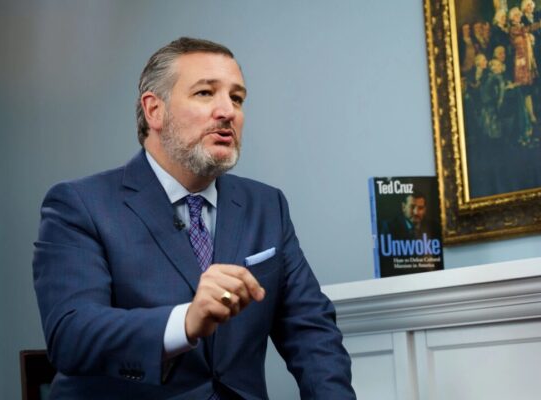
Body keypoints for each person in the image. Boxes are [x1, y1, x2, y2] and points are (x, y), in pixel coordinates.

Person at [32, 37, 356, 400]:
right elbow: (72, 334)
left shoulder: (267, 206)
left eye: (237, 98)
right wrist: (185, 323)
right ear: (154, 110)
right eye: (205, 93)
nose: (227, 111)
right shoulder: (81, 205)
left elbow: (311, 333)